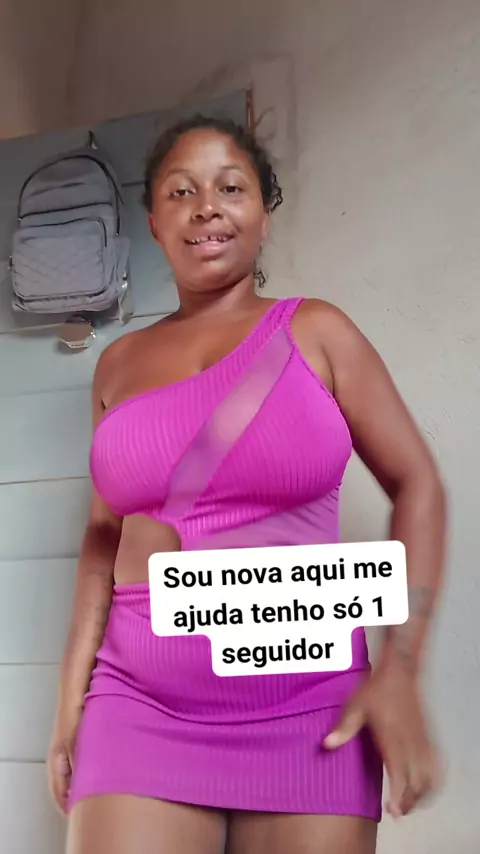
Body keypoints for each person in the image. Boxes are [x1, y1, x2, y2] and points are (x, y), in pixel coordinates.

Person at [48, 114, 447, 854]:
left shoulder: (318, 332)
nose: (207, 207)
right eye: (181, 191)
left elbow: (417, 482)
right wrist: (70, 704)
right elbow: (103, 537)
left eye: (231, 188)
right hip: (137, 706)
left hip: (313, 708)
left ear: (265, 213)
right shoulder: (117, 365)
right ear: (154, 222)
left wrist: (400, 668)